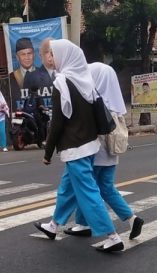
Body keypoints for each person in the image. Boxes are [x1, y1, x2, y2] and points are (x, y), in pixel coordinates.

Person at [33, 39, 124, 252]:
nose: (49, 59)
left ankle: (112, 236)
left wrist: (47, 152)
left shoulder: (62, 82)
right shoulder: (85, 80)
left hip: (75, 148)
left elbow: (56, 123)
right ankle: (54, 226)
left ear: (63, 56)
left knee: (88, 193)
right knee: (68, 187)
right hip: (90, 146)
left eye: (52, 55)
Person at [63, 62, 144, 240]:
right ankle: (129, 219)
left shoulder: (97, 103)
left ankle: (88, 224)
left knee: (86, 187)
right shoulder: (114, 104)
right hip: (112, 153)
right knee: (105, 187)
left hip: (96, 153)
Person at [9, 37, 35, 109]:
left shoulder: (43, 74)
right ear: (17, 57)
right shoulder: (11, 77)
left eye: (29, 53)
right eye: (23, 54)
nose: (27, 57)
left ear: (34, 54)